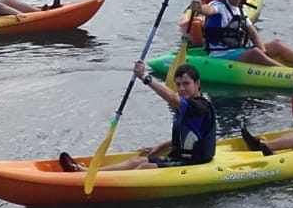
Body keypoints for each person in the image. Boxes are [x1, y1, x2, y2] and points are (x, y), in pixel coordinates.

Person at [59, 63, 216, 171]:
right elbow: (189, 135)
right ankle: (86, 172)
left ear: (197, 84)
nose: (182, 88)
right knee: (136, 161)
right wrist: (159, 147)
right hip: (179, 158)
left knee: (144, 167)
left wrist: (145, 78)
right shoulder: (187, 105)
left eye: (186, 83)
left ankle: (98, 179)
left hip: (193, 163)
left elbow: (172, 98)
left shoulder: (199, 107)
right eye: (178, 84)